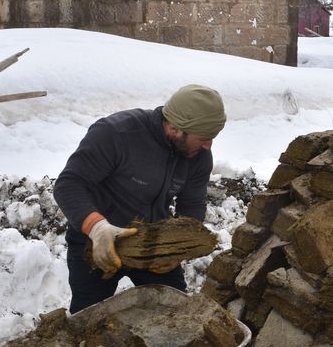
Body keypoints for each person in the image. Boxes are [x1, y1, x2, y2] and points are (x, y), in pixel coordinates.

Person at [54, 84, 225, 313]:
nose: (208, 145)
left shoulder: (197, 155)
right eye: (204, 137)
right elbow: (69, 184)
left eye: (212, 138)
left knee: (176, 317)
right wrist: (96, 227)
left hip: (153, 244)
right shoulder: (116, 134)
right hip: (97, 240)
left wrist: (179, 246)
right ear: (175, 128)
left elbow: (191, 204)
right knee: (89, 319)